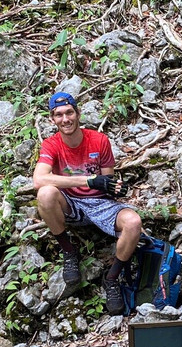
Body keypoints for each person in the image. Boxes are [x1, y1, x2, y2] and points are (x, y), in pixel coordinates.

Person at [32, 91, 143, 315]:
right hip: (70, 202)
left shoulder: (99, 140)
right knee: (45, 194)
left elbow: (107, 182)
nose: (65, 119)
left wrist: (115, 187)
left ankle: (112, 278)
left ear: (78, 113)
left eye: (69, 113)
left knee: (133, 222)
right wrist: (88, 180)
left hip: (99, 203)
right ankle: (69, 251)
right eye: (59, 115)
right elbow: (39, 179)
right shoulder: (51, 145)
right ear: (53, 119)